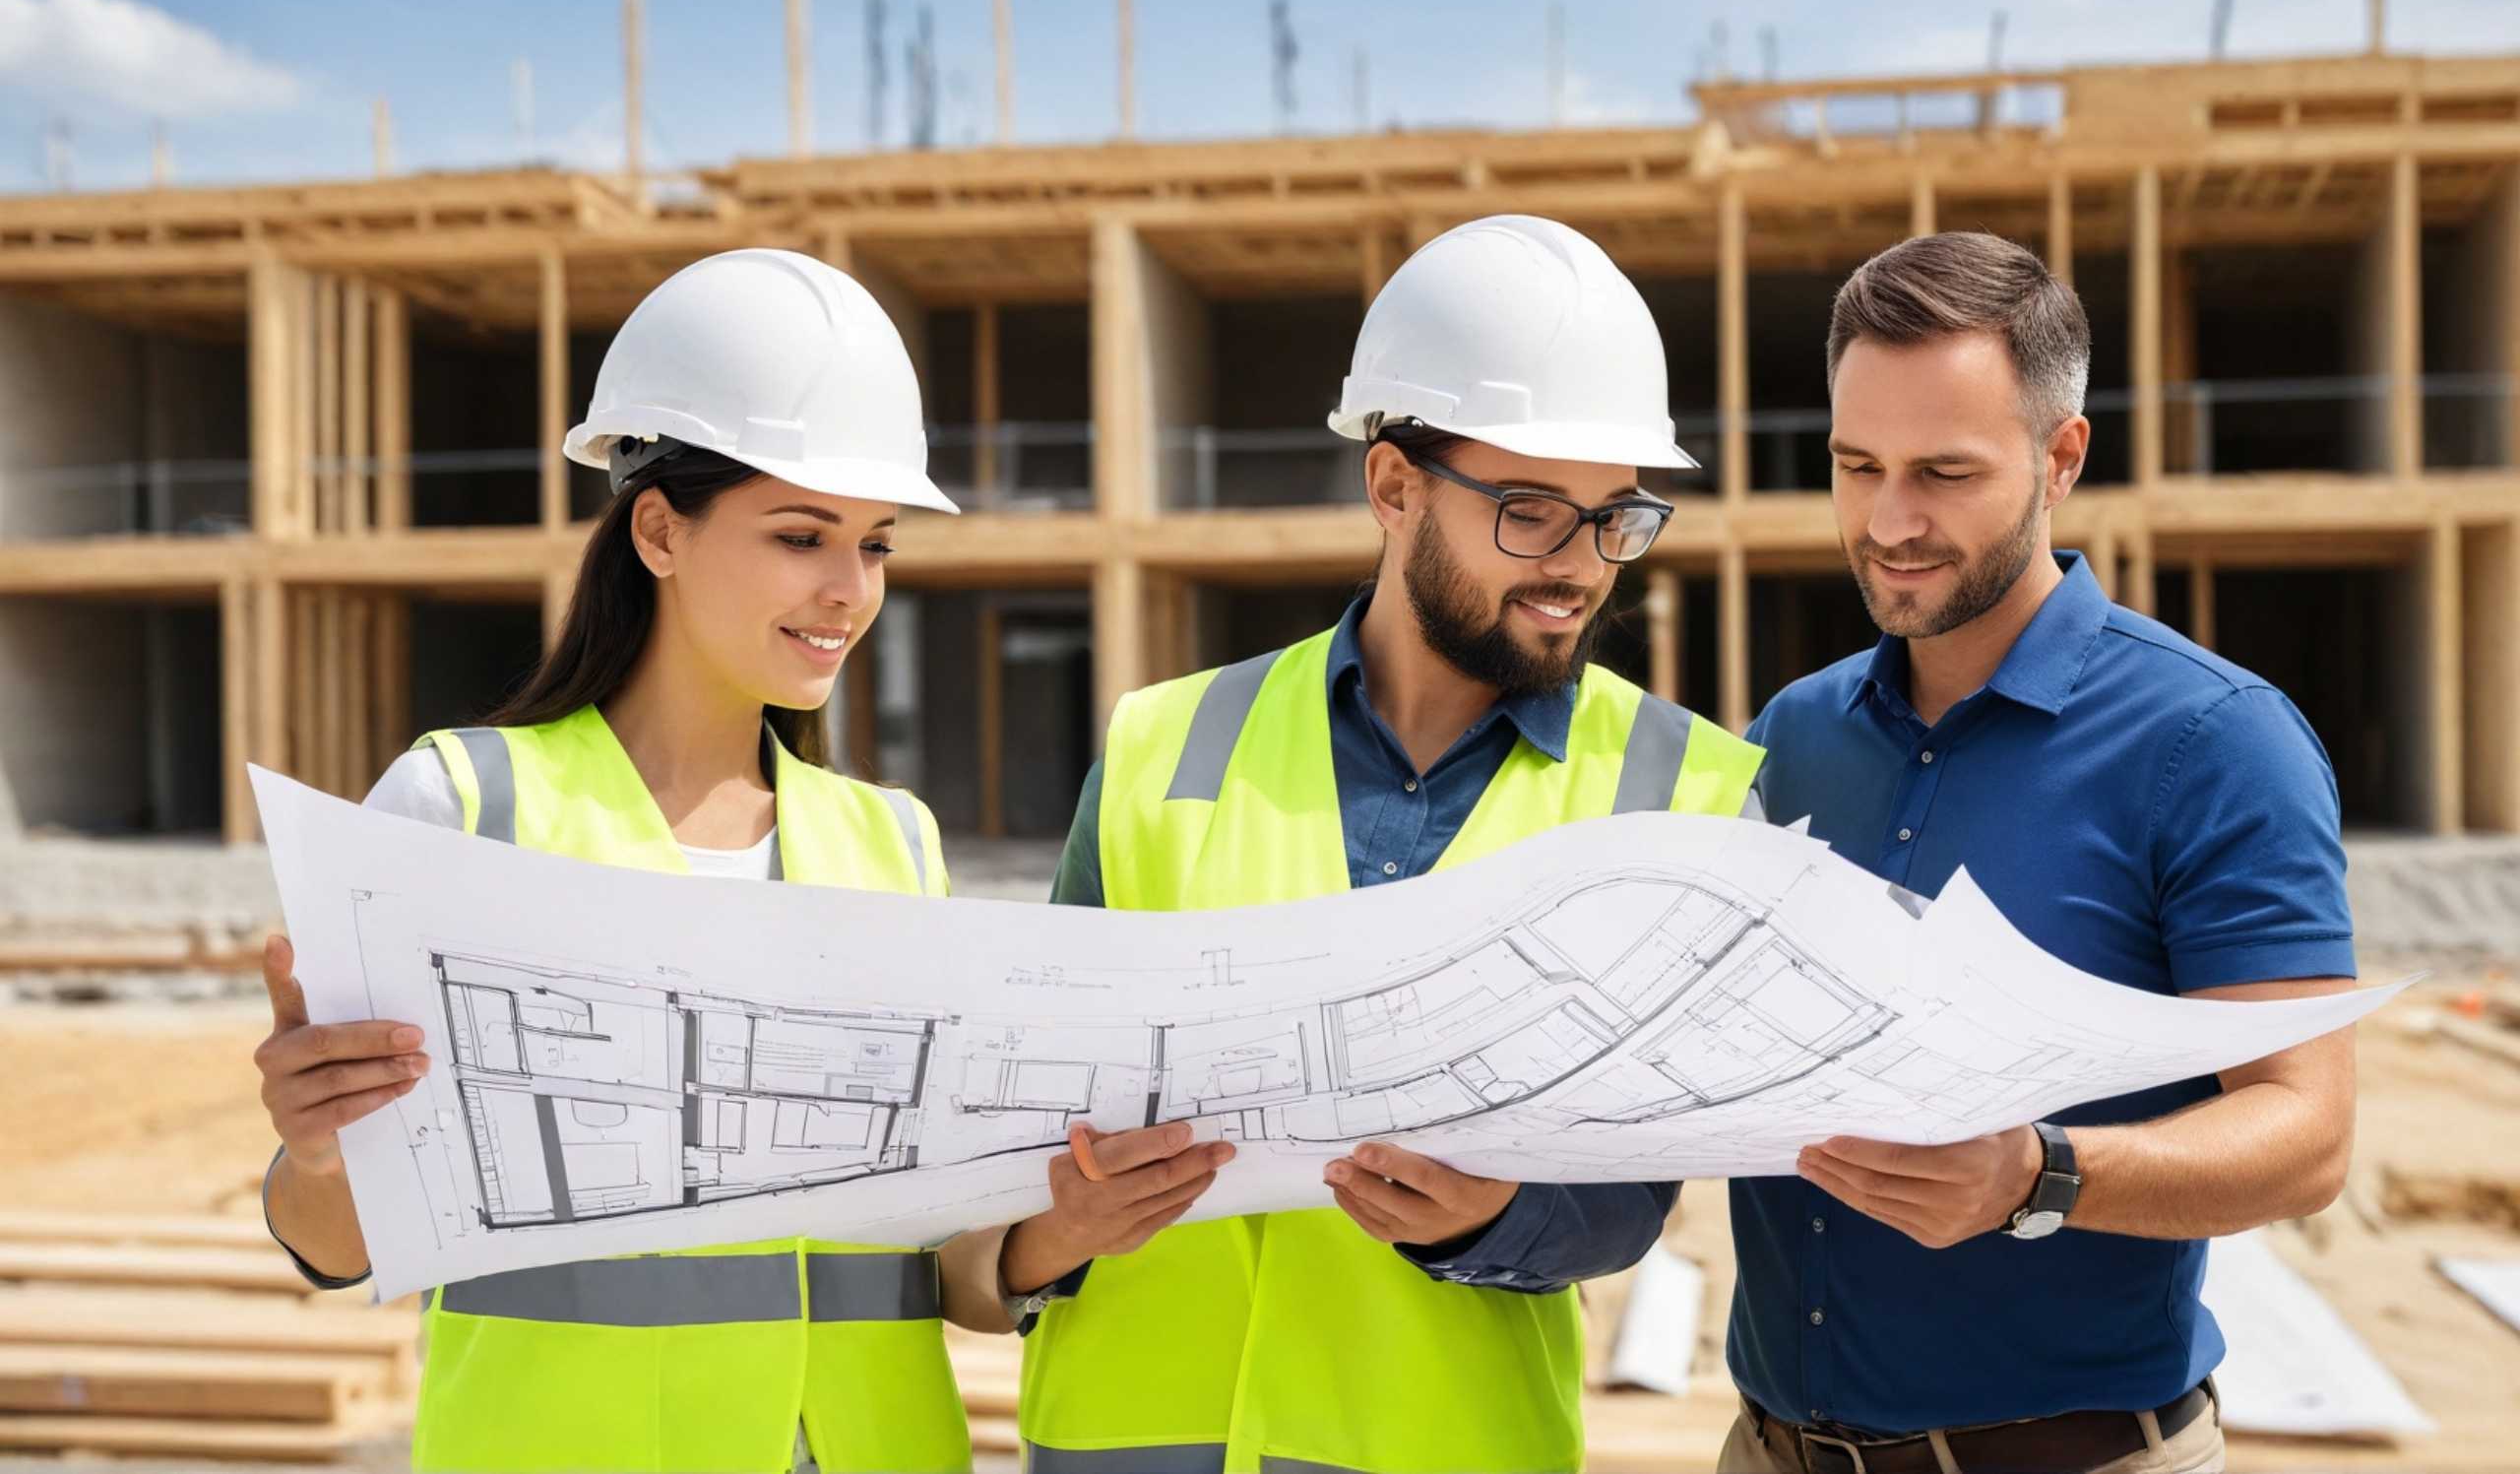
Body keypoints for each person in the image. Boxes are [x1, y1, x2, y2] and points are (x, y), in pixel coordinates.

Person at [253, 248, 1157, 1473]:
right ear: (660, 531)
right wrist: (317, 1152)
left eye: (876, 545)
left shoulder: (892, 843)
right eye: (800, 536)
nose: (848, 591)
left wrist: (1066, 1229)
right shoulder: (466, 812)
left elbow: (948, 1272)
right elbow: (335, 1245)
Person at [1003, 215, 1768, 1473]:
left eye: (1612, 518)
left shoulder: (1682, 790)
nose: (1576, 566)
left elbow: (1639, 1198)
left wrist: (1499, 1217)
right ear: (1394, 486)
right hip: (1128, 1439)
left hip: (1444, 1444)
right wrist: (1060, 1217)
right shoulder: (1161, 746)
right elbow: (1021, 1130)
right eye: (1528, 511)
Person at [1721, 232, 2359, 1474]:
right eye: (1856, 467)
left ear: (2061, 456)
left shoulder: (2214, 744)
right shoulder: (1787, 737)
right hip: (1766, 1448)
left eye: (1944, 473)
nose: (1888, 521)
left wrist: (2039, 1178)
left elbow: (2307, 1131)